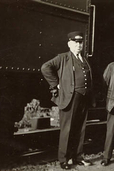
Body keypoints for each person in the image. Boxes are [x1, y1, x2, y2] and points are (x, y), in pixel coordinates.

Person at [41, 31, 93, 170]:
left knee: (80, 129)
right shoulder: (63, 58)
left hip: (83, 98)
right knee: (67, 129)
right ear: (69, 44)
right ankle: (64, 160)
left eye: (80, 42)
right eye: (75, 42)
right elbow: (45, 67)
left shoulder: (84, 59)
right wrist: (55, 84)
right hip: (71, 98)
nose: (78, 45)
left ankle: (78, 157)